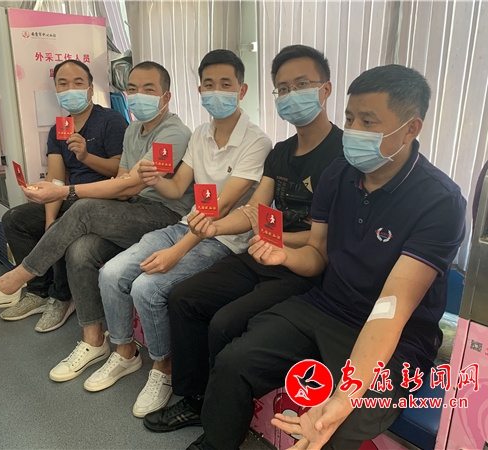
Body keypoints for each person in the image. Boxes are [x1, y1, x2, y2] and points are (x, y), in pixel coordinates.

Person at [186, 64, 467, 450]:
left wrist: (343, 397)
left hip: (398, 335)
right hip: (327, 306)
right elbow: (317, 253)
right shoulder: (339, 173)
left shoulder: (440, 201)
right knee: (235, 361)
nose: (353, 130)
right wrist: (285, 256)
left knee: (338, 422)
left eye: (368, 121)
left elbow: (392, 309)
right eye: (349, 118)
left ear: (410, 129)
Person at [0, 61, 193, 382]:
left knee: (83, 209)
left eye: (148, 89)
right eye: (132, 89)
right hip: (130, 210)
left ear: (166, 96)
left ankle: (13, 282)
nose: (138, 95)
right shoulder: (133, 129)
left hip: (164, 217)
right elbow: (121, 181)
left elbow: (127, 186)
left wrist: (69, 191)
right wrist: (64, 201)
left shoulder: (173, 132)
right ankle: (94, 340)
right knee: (80, 249)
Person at [143, 45, 344, 433]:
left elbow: (326, 239)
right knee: (184, 298)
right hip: (261, 251)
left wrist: (278, 239)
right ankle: (195, 398)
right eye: (283, 88)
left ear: (326, 89)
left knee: (224, 322)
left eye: (301, 84)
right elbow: (254, 210)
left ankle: (221, 420)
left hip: (305, 266)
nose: (291, 95)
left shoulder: (342, 156)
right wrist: (216, 227)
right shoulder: (281, 152)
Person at [90, 49, 272, 419]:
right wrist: (155, 179)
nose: (216, 92)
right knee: (111, 273)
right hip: (184, 226)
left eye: (225, 84)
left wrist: (177, 252)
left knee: (147, 287)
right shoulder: (200, 134)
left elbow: (221, 206)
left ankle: (163, 368)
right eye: (209, 84)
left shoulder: (257, 141)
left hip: (223, 240)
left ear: (242, 90)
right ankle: (124, 352)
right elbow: (177, 190)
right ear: (199, 90)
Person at [0, 59, 128, 332]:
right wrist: (49, 219)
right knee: (15, 219)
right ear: (56, 90)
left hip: (102, 200)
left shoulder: (111, 121)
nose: (70, 89)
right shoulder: (59, 128)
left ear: (90, 89)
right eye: (63, 84)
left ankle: (62, 297)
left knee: (62, 224)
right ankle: (38, 291)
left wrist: (86, 155)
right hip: (68, 196)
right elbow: (56, 177)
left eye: (78, 83)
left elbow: (120, 171)